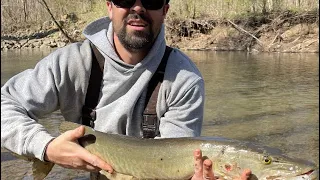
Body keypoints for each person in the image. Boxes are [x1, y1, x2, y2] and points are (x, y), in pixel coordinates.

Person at [1, 0, 251, 179]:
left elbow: (171, 170)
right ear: (109, 6)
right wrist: (45, 147)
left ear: (165, 11)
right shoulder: (70, 63)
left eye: (151, 0)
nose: (138, 8)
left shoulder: (185, 80)